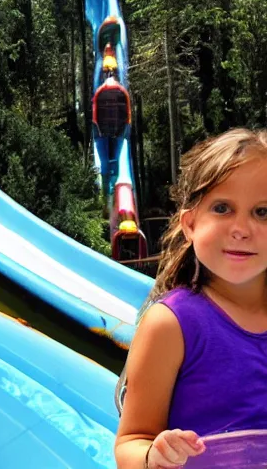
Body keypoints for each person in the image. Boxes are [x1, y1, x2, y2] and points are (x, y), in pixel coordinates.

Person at [114, 128, 267, 469]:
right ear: (191, 224)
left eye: (262, 212)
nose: (241, 228)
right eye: (223, 208)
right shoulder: (172, 325)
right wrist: (154, 454)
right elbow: (130, 442)